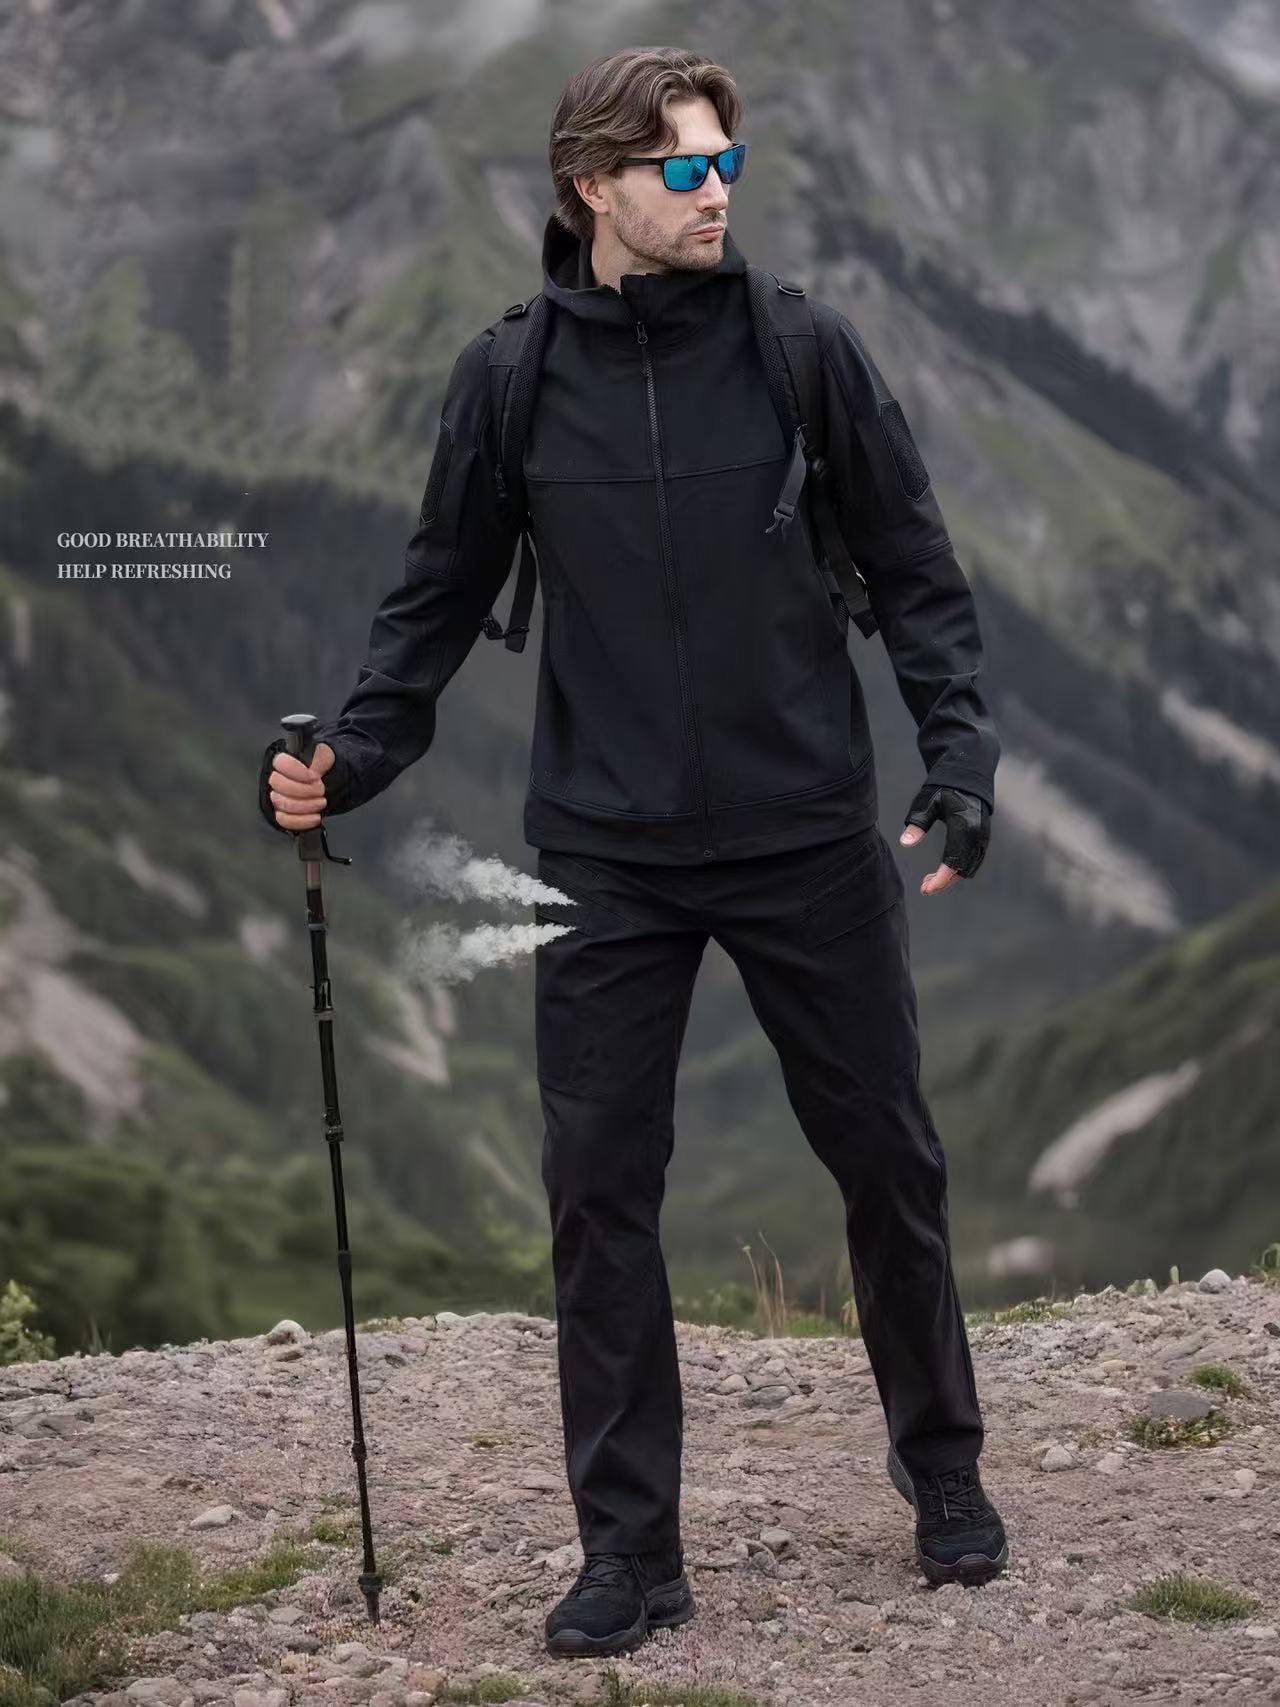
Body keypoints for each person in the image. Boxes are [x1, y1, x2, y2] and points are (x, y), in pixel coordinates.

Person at [260, 45, 1008, 1661]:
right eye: (683, 167)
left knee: (887, 1156)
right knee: (599, 1192)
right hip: (605, 851)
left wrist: (959, 755)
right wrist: (346, 759)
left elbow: (916, 568)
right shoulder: (510, 379)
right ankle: (630, 1552)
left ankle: (944, 1470)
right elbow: (432, 603)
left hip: (806, 830)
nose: (717, 188)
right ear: (594, 184)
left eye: (727, 159)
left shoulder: (804, 350)